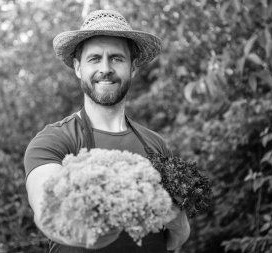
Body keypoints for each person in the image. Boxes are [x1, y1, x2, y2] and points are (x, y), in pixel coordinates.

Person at [24, 9, 190, 253]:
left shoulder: (156, 145)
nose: (106, 68)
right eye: (94, 59)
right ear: (78, 67)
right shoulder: (54, 141)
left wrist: (178, 221)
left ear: (132, 67)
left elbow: (177, 238)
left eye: (116, 58)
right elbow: (49, 212)